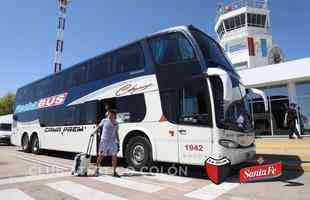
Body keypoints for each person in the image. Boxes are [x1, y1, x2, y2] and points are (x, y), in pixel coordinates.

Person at [94, 110, 120, 177]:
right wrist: (94, 132)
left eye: (111, 115)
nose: (110, 116)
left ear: (114, 115)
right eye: (109, 115)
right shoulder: (104, 120)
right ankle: (97, 169)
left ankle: (114, 172)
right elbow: (99, 127)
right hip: (104, 141)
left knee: (114, 156)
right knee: (101, 155)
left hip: (112, 142)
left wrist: (118, 141)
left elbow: (116, 132)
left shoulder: (116, 123)